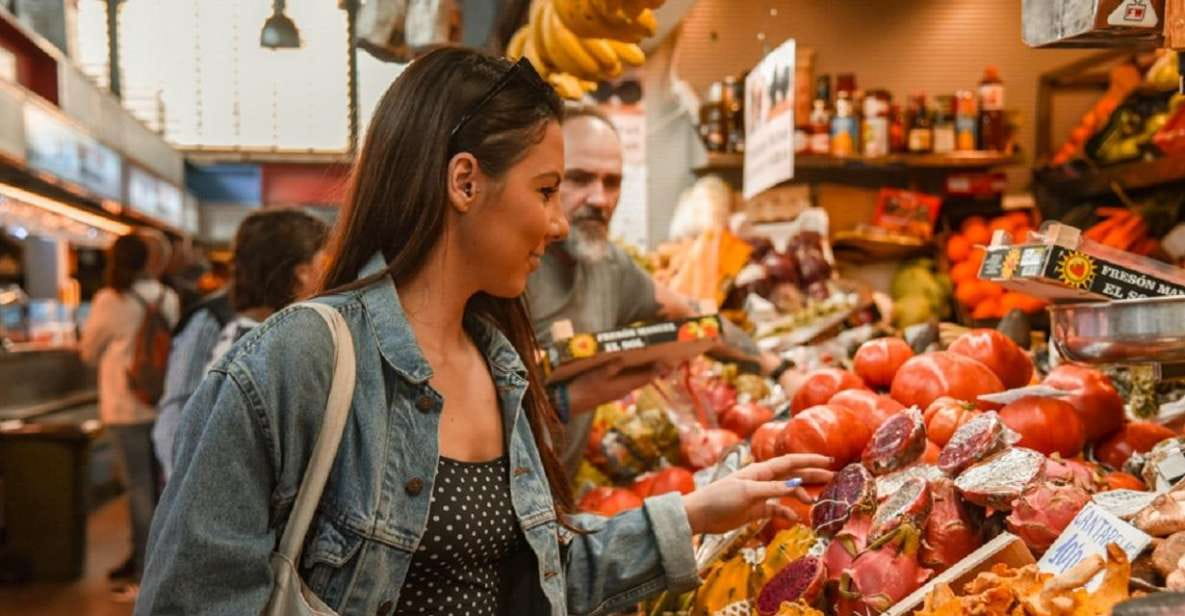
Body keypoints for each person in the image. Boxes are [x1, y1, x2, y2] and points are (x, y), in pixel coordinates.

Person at [136, 48, 830, 615]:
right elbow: (190, 598)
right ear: (465, 182)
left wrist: (698, 512)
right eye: (547, 189)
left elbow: (530, 575)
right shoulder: (296, 360)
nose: (560, 221)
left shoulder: (498, 366)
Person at [527, 105, 797, 474]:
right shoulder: (504, 272)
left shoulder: (608, 266)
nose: (600, 199)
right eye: (579, 178)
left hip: (556, 496)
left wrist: (779, 368)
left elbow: (693, 318)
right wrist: (568, 400)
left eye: (612, 182)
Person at [151, 209, 329, 480]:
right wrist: (187, 488)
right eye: (323, 259)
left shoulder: (287, 332)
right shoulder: (214, 320)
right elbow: (178, 410)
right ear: (301, 271)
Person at [79, 231, 180, 601]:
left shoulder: (110, 299)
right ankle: (145, 557)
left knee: (138, 489)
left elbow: (88, 350)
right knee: (158, 487)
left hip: (125, 407)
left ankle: (144, 570)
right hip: (161, 403)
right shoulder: (169, 297)